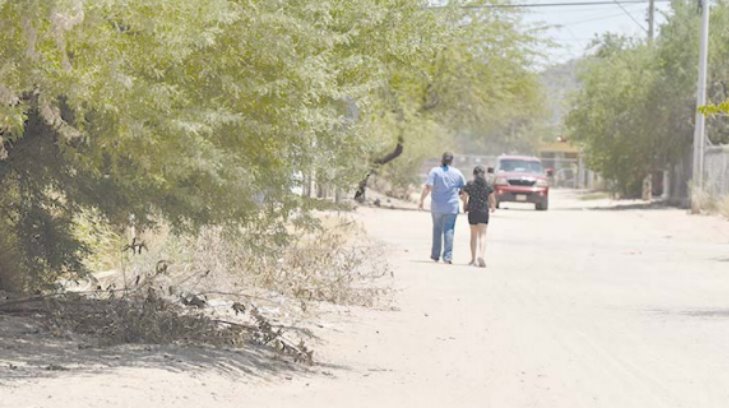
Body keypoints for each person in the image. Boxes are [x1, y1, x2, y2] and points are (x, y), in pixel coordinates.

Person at [419, 152, 466, 264]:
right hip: (452, 206)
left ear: (442, 160)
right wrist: (465, 203)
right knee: (449, 230)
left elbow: (428, 187)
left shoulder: (435, 171)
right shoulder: (457, 173)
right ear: (452, 161)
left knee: (437, 229)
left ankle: (435, 255)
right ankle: (447, 257)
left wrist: (421, 200)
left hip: (437, 206)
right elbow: (463, 191)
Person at [461, 165, 496, 268]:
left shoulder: (470, 184)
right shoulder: (488, 185)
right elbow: (492, 198)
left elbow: (464, 196)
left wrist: (465, 206)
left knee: (473, 236)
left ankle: (472, 259)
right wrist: (493, 206)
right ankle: (481, 256)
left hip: (472, 211)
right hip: (483, 211)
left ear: (474, 174)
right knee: (483, 235)